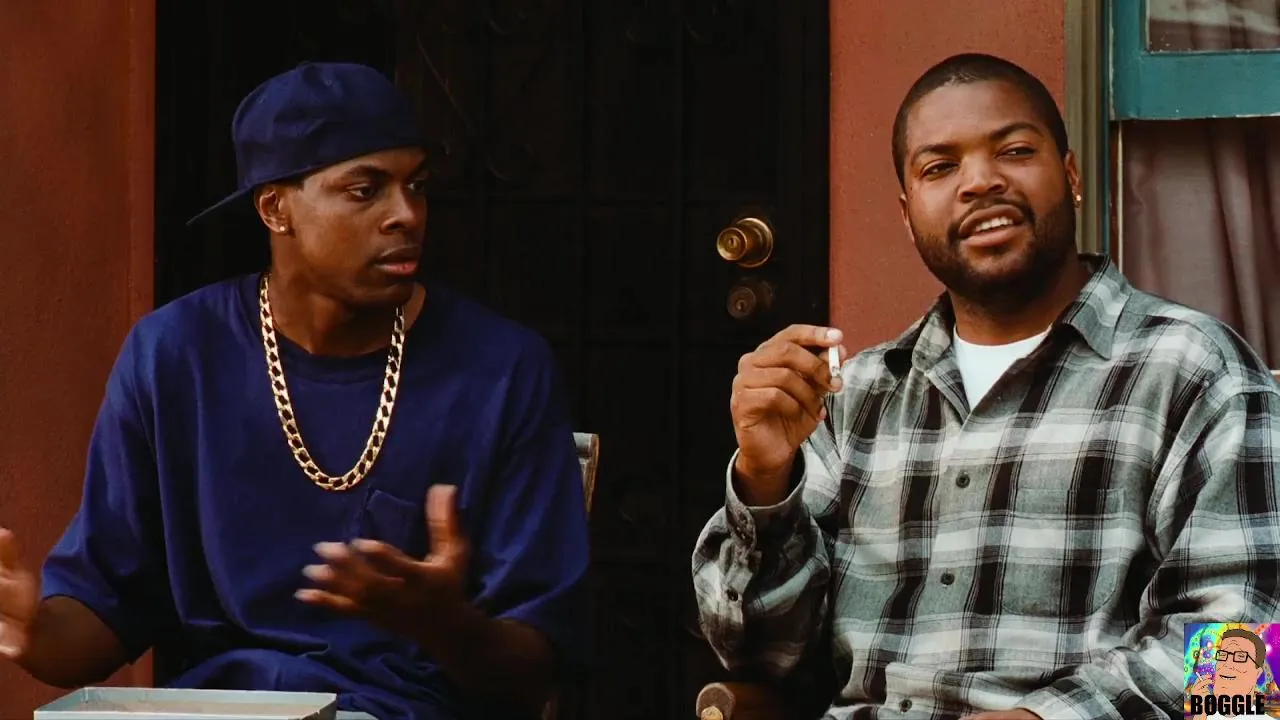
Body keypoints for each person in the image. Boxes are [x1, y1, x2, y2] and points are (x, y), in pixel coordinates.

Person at [692, 52, 1280, 720]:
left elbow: (1246, 667)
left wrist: (1044, 718)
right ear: (908, 215)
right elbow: (757, 654)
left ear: (1071, 176)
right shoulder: (854, 398)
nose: (980, 182)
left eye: (1015, 151)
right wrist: (766, 479)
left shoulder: (1194, 371)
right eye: (940, 167)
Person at [0, 62, 589, 720]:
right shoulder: (176, 355)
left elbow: (535, 669)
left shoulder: (503, 369)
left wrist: (446, 625)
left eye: (417, 186)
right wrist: (31, 632)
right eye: (365, 190)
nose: (406, 215)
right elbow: (104, 610)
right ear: (276, 209)